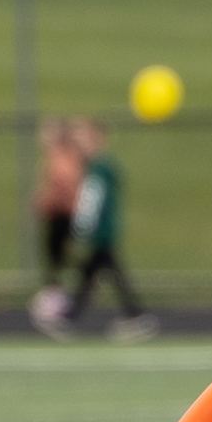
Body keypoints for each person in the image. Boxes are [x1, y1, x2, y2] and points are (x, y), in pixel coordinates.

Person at [55, 117, 155, 344]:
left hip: (101, 232)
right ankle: (73, 316)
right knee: (93, 273)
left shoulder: (99, 168)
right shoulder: (96, 166)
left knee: (104, 271)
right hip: (102, 231)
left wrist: (80, 231)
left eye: (83, 136)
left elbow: (91, 203)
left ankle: (136, 316)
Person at [29, 119, 84, 334]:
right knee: (58, 260)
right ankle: (58, 299)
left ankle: (59, 304)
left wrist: (45, 202)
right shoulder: (59, 155)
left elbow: (63, 185)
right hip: (60, 215)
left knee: (61, 259)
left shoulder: (61, 157)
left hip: (62, 215)